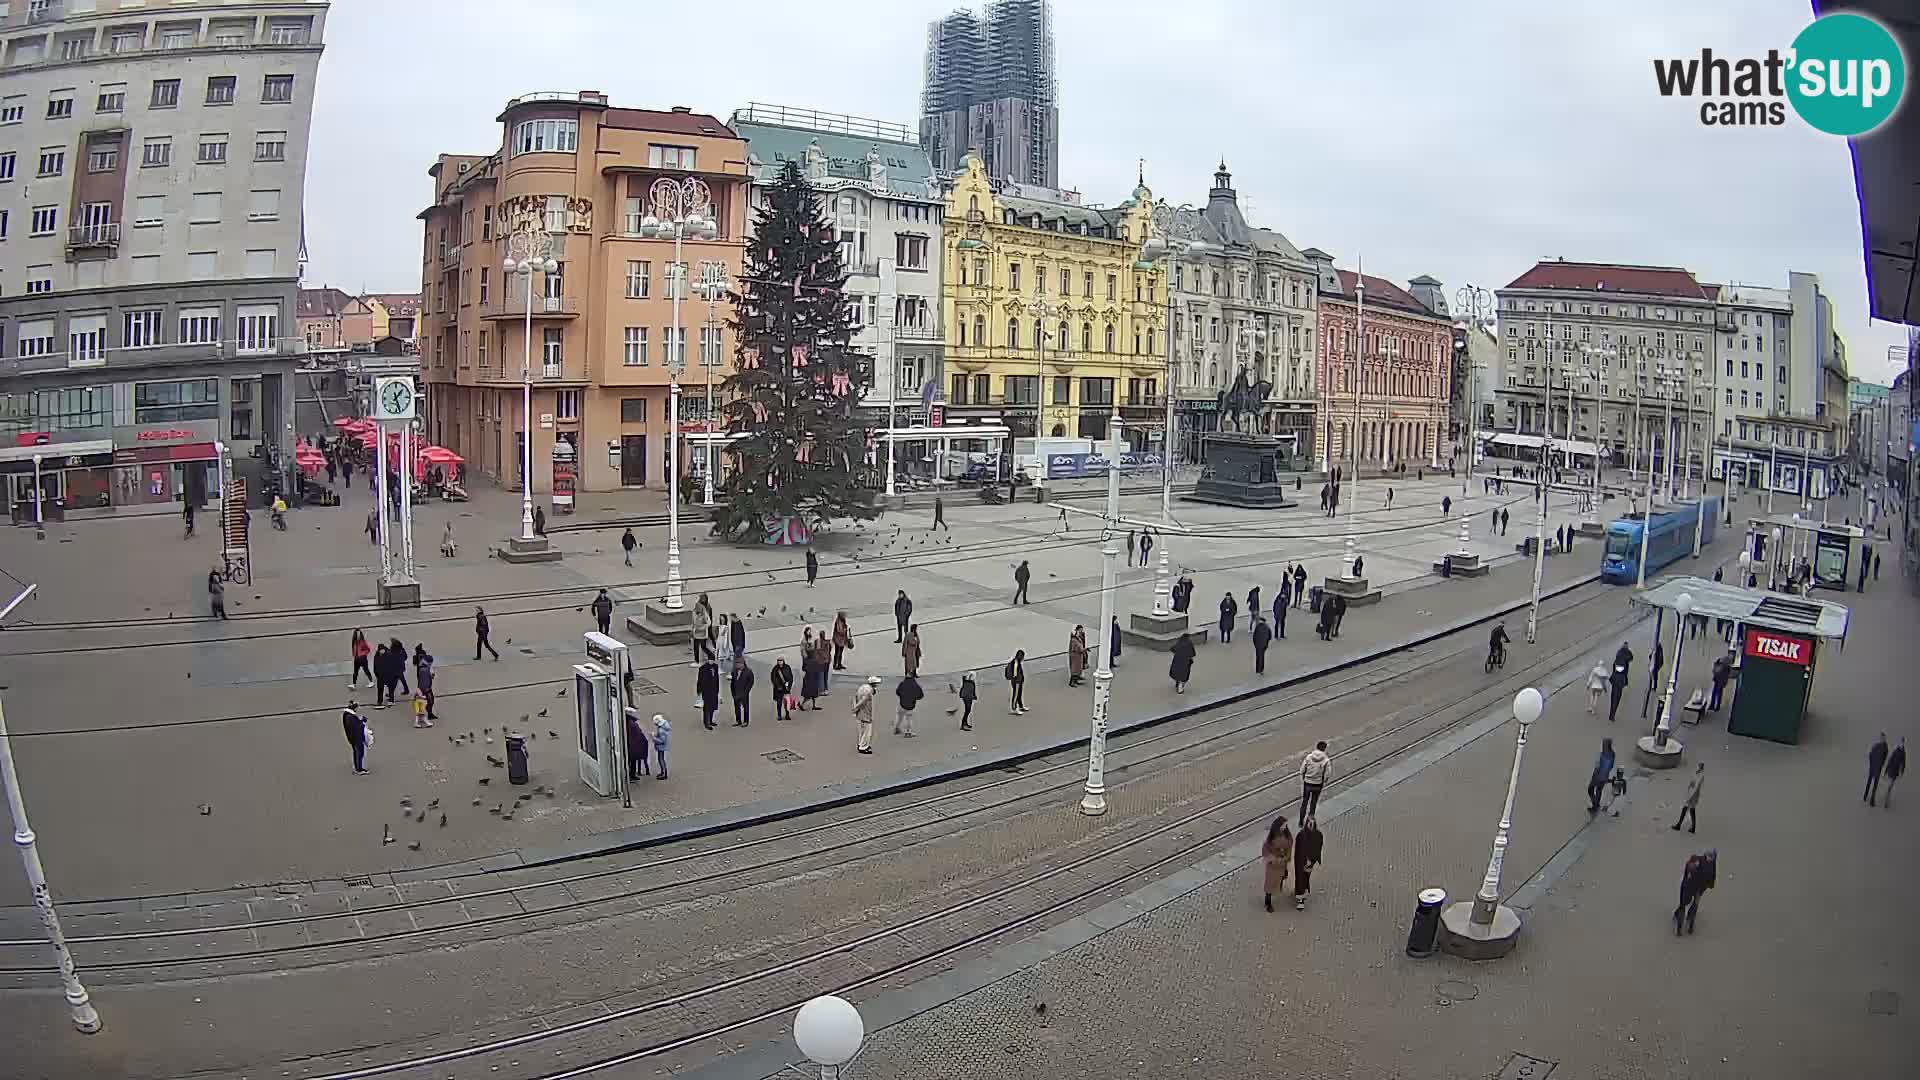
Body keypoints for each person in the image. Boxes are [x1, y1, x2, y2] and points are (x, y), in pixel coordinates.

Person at [1674, 851, 1716, 935]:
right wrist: (1710, 884)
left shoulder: (1697, 861)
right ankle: (1689, 926)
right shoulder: (1709, 864)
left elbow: (1688, 872)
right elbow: (1712, 879)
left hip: (1691, 887)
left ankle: (1682, 926)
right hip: (1697, 888)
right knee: (1694, 905)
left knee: (1685, 904)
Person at [1260, 815, 1292, 913]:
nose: (1285, 827)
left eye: (1286, 825)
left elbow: (1289, 849)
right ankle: (1268, 902)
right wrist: (1272, 858)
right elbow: (1265, 849)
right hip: (1273, 865)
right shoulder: (1272, 837)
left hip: (1281, 864)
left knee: (1278, 880)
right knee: (1270, 883)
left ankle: (1275, 891)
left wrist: (1286, 859)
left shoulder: (1288, 836)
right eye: (1284, 825)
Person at [1292, 816, 1324, 910]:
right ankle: (1300, 900)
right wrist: (1302, 862)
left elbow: (1318, 847)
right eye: (1309, 823)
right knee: (1300, 880)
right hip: (1300, 863)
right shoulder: (1301, 835)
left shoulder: (1318, 834)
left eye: (1312, 823)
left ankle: (1303, 892)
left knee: (1306, 878)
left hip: (1310, 862)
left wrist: (1312, 860)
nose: (1310, 825)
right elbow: (1298, 851)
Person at [1300, 740, 1331, 818]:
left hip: (1307, 783)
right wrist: (1324, 781)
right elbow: (1327, 774)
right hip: (1318, 784)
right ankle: (1310, 820)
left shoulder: (1309, 757)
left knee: (1305, 801)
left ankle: (1301, 820)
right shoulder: (1326, 760)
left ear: (1316, 747)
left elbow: (1302, 769)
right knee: (1313, 802)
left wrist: (1304, 777)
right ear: (1324, 749)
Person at [1673, 762, 1705, 832]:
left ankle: (1679, 825)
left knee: (1685, 808)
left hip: (1693, 795)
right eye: (1698, 765)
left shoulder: (1701, 775)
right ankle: (1693, 828)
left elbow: (1696, 787)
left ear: (1701, 767)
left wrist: (1689, 797)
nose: (1698, 766)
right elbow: (1693, 781)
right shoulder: (1697, 773)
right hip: (1692, 794)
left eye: (1699, 766)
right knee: (1692, 810)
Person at [1588, 737, 1616, 814]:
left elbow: (1598, 767)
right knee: (1598, 790)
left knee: (1590, 789)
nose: (1602, 744)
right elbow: (1611, 767)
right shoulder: (1612, 754)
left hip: (1599, 776)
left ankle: (1595, 806)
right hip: (1604, 776)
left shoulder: (1603, 755)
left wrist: (1596, 775)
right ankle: (1596, 804)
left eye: (1603, 743)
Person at [342, 699, 370, 775]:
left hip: (353, 737)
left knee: (356, 752)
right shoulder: (349, 717)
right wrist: (363, 721)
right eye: (357, 707)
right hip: (356, 737)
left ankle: (357, 767)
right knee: (359, 753)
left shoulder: (348, 715)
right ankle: (359, 769)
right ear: (354, 708)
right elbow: (356, 727)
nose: (358, 709)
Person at [1607, 641, 1633, 723]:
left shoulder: (1619, 654)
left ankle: (1612, 714)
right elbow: (1631, 658)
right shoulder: (1626, 655)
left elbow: (1615, 666)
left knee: (1613, 697)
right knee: (1617, 697)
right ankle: (1613, 714)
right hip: (1621, 679)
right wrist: (1628, 650)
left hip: (1615, 678)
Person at [854, 676, 879, 754]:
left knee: (861, 730)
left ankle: (860, 744)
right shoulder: (869, 691)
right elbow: (863, 701)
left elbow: (856, 697)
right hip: (866, 712)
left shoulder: (862, 687)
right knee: (867, 731)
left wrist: (856, 708)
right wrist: (856, 708)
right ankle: (863, 747)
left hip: (860, 713)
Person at [414, 646, 437, 723]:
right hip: (425, 688)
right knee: (430, 701)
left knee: (425, 701)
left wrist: (431, 675)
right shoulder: (424, 669)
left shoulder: (424, 667)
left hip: (424, 688)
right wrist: (426, 689)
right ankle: (427, 714)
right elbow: (424, 681)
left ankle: (426, 713)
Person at [767, 656, 794, 722]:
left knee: (787, 702)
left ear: (783, 661)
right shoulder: (775, 669)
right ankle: (779, 715)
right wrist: (778, 686)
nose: (780, 662)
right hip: (778, 689)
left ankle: (787, 714)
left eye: (781, 660)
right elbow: (773, 678)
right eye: (779, 660)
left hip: (786, 688)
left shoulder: (787, 667)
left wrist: (789, 685)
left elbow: (791, 677)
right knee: (779, 703)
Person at [729, 657, 755, 727]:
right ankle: (738, 720)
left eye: (739, 664)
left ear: (743, 664)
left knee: (745, 707)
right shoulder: (734, 671)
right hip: (736, 692)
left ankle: (746, 721)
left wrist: (746, 691)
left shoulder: (748, 672)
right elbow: (732, 682)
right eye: (736, 664)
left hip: (744, 693)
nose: (737, 665)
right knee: (737, 708)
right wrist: (732, 691)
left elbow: (751, 682)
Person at [1866, 732, 1890, 805]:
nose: (1882, 739)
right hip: (1873, 768)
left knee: (1874, 785)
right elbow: (1870, 755)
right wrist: (1872, 764)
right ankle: (1866, 796)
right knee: (1870, 782)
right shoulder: (1876, 746)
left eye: (1883, 738)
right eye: (1881, 737)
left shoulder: (1884, 747)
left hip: (1877, 768)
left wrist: (1881, 765)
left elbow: (1884, 757)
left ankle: (1871, 800)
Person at [626, 709, 650, 780]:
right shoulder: (633, 724)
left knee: (631, 761)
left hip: (631, 745)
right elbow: (639, 735)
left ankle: (632, 774)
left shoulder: (628, 723)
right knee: (633, 761)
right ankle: (632, 775)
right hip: (634, 746)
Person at [697, 659, 720, 729]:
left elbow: (717, 678)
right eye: (710, 660)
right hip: (706, 690)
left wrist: (717, 689)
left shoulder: (715, 667)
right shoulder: (703, 668)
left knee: (713, 706)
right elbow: (700, 679)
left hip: (714, 690)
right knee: (707, 707)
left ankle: (710, 720)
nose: (712, 661)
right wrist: (699, 690)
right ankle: (706, 723)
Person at [1883, 738, 1906, 808]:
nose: (1901, 744)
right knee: (1889, 786)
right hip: (1891, 770)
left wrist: (1902, 772)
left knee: (1890, 785)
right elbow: (1890, 760)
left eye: (1902, 743)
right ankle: (1886, 802)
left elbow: (1904, 763)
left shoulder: (1903, 753)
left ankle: (1887, 798)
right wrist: (1886, 771)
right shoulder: (1895, 751)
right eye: (1900, 743)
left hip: (1895, 772)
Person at [691, 596, 713, 664]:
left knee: (702, 647)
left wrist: (702, 628)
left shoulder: (704, 614)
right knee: (697, 647)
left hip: (702, 634)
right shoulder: (694, 613)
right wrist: (693, 630)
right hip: (696, 634)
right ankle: (697, 661)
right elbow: (694, 623)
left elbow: (709, 623)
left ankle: (711, 656)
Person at [1006, 650, 1028, 714]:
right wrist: (1018, 680)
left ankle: (1021, 706)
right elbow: (1015, 674)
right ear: (1020, 656)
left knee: (1019, 694)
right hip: (1016, 682)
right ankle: (1014, 708)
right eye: (1023, 656)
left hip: (1019, 681)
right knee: (1015, 695)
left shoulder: (1017, 662)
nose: (1023, 658)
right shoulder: (1015, 662)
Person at [652, 714, 671, 780]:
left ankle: (664, 773)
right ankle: (663, 772)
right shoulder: (663, 726)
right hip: (662, 746)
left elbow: (662, 740)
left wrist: (654, 738)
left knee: (661, 759)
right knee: (661, 759)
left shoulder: (661, 729)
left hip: (661, 746)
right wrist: (655, 735)